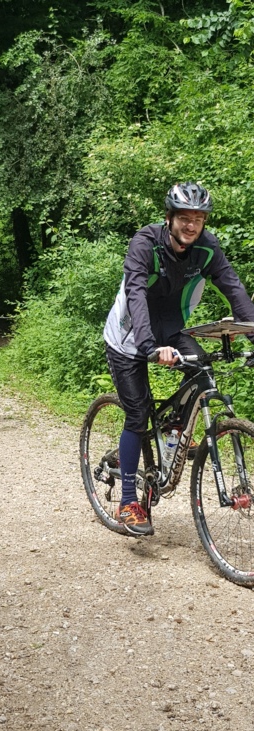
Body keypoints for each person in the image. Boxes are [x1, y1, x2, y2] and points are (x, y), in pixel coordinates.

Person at [103, 181, 254, 537]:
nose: (191, 225)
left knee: (201, 368)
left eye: (198, 219)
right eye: (184, 217)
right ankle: (129, 502)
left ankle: (172, 433)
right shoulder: (146, 243)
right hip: (129, 335)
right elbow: (136, 293)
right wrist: (149, 346)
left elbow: (234, 289)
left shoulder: (206, 248)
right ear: (169, 218)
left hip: (172, 328)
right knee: (137, 415)